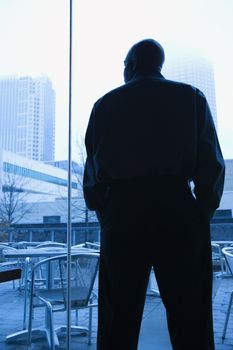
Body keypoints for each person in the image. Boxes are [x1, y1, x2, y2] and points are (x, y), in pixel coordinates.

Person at [83, 39, 225, 350]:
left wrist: (109, 214)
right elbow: (211, 166)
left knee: (118, 319)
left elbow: (93, 176)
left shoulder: (105, 105)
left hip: (124, 213)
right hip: (177, 209)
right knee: (191, 316)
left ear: (131, 65)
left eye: (124, 64)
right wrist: (199, 214)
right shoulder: (190, 99)